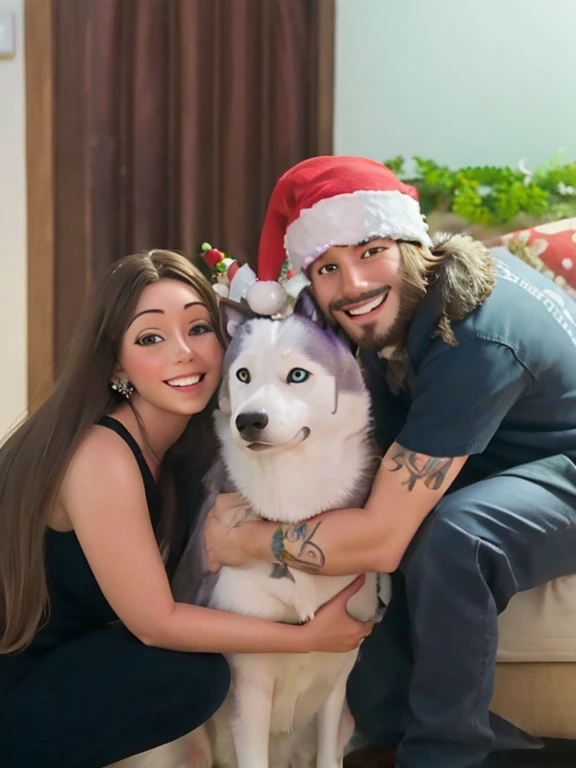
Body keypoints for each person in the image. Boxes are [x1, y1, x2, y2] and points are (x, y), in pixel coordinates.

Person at [204, 156, 576, 768]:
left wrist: (248, 542)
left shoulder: (474, 339)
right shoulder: (406, 305)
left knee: (454, 534)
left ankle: (440, 755)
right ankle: (387, 734)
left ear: (411, 243)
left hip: (562, 463)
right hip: (506, 447)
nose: (352, 283)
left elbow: (379, 539)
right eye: (328, 266)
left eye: (370, 250)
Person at [0, 248, 372, 768]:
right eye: (151, 338)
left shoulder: (197, 448)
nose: (185, 353)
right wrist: (307, 637)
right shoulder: (101, 455)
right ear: (115, 363)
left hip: (72, 663)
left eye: (199, 328)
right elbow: (156, 623)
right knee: (192, 676)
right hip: (19, 689)